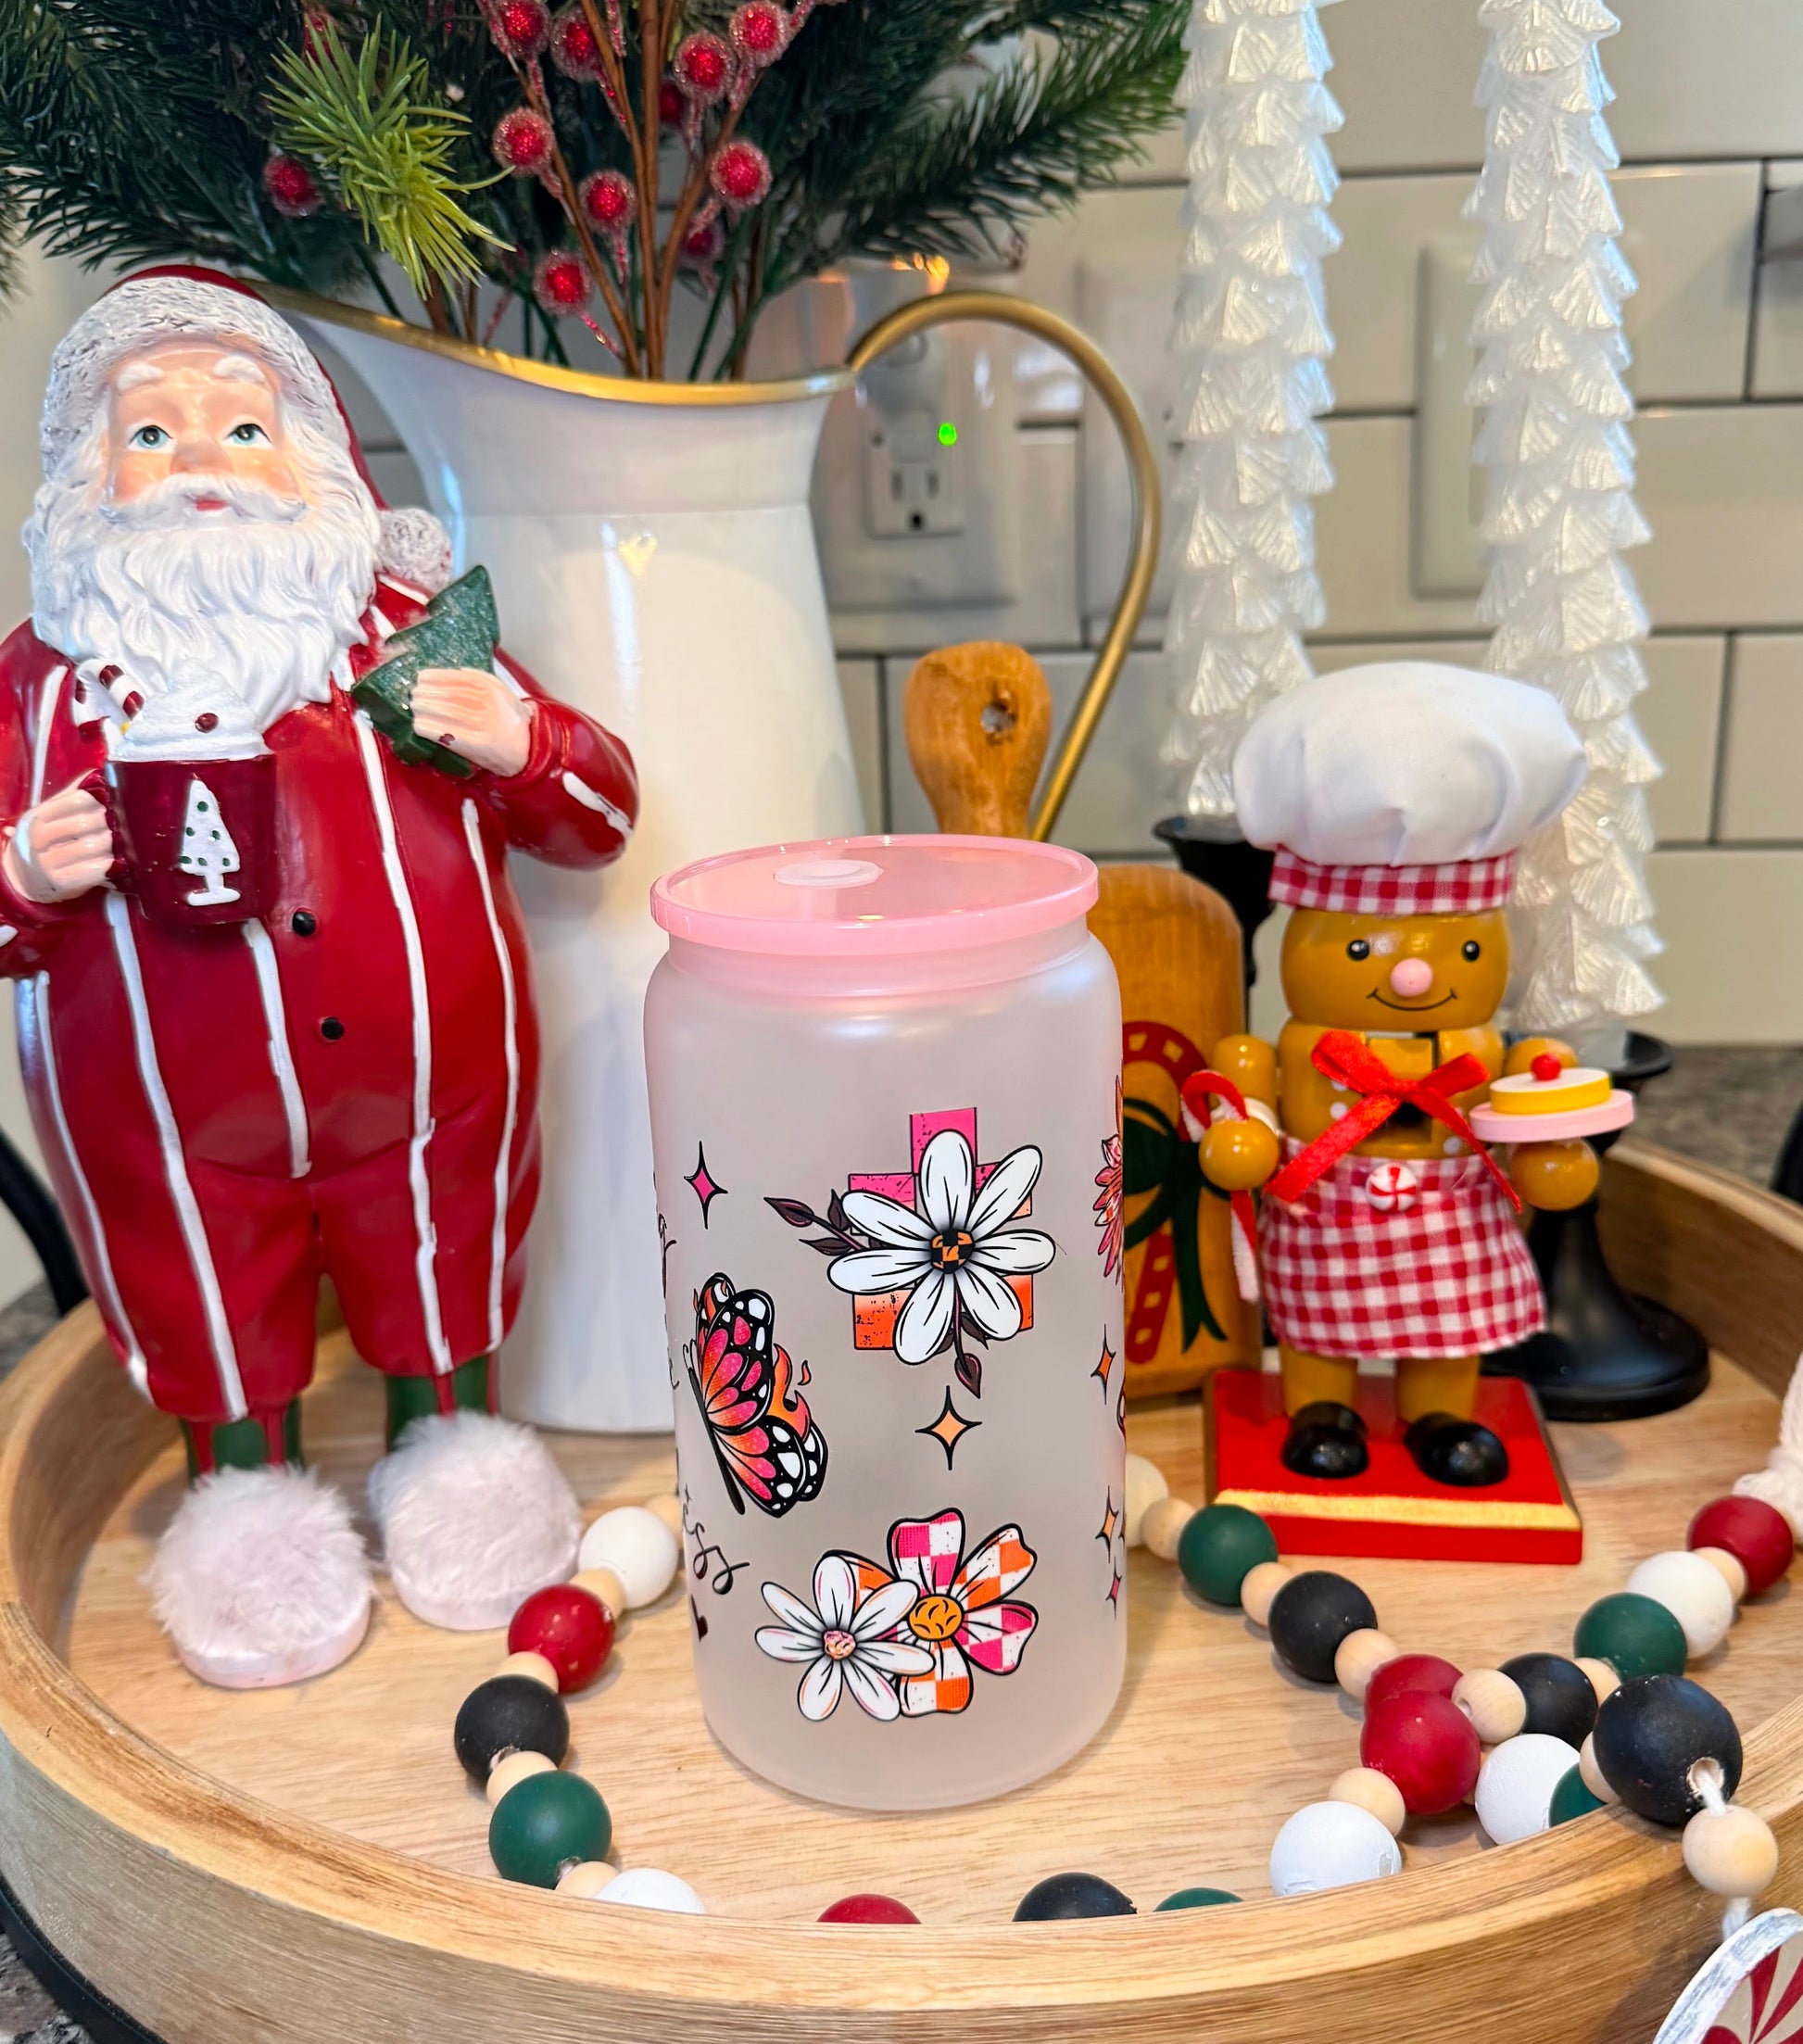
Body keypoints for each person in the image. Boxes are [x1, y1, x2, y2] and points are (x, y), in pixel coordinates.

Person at [1, 268, 638, 1684]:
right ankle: (241, 1493)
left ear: (316, 455)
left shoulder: (413, 633)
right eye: (151, 432)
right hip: (162, 1120)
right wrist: (25, 872)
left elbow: (599, 817)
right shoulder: (41, 686)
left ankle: (451, 1445)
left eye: (243, 426)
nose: (202, 463)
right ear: (88, 475)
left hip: (434, 1089)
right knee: (202, 1288)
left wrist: (522, 740)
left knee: (442, 1255)